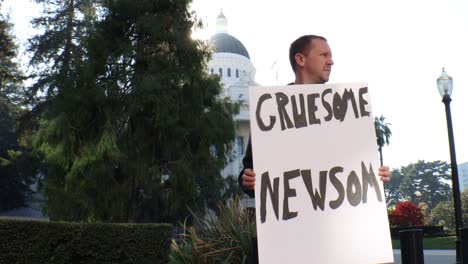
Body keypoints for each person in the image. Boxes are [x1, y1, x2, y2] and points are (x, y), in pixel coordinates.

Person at [238, 35, 391, 197]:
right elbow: (250, 170)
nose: (331, 61)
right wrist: (247, 181)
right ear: (300, 60)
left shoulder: (345, 109)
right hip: (292, 217)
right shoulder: (271, 109)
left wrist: (376, 174)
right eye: (324, 55)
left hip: (337, 214)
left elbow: (356, 164)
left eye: (330, 56)